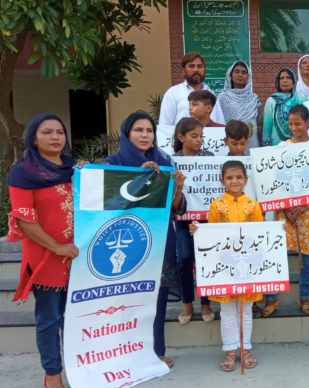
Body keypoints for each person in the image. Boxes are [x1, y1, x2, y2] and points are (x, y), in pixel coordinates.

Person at [6, 114, 85, 388]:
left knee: (77, 316)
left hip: (80, 256)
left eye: (60, 132)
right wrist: (57, 247)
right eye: (47, 132)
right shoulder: (23, 173)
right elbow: (24, 219)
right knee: (50, 318)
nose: (55, 137)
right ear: (34, 137)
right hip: (46, 257)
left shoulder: (76, 168)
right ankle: (52, 373)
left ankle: (82, 369)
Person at [105, 111, 187, 369]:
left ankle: (156, 351)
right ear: (127, 134)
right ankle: (123, 353)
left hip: (159, 240)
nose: (144, 135)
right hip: (126, 240)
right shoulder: (113, 162)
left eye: (149, 131)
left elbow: (176, 208)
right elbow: (108, 204)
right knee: (125, 299)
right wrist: (138, 180)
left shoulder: (164, 162)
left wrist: (178, 189)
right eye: (138, 130)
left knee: (157, 297)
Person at [190, 161, 264, 371]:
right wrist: (198, 231)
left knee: (246, 309)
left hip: (248, 267)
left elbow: (261, 234)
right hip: (225, 266)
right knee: (228, 310)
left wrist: (278, 229)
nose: (234, 181)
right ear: (222, 181)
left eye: (239, 177)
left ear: (246, 180)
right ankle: (230, 350)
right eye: (229, 178)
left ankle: (245, 348)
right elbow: (212, 234)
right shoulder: (216, 205)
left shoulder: (253, 206)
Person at [275, 105, 309, 314]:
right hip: (284, 209)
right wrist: (285, 208)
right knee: (276, 252)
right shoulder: (281, 147)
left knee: (307, 257)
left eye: (298, 123)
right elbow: (274, 179)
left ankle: (304, 296)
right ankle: (271, 298)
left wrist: (304, 206)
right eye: (291, 124)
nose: (294, 128)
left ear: (308, 122)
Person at [172, 117, 215, 325]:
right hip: (182, 217)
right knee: (184, 258)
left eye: (201, 136)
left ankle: (206, 302)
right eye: (194, 136)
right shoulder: (173, 162)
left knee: (205, 257)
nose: (199, 140)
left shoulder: (209, 157)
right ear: (181, 137)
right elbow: (173, 199)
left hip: (206, 218)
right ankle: (188, 302)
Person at [159, 51, 224, 125]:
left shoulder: (211, 94)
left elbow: (220, 124)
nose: (196, 70)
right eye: (191, 66)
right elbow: (165, 126)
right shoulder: (173, 93)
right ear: (183, 71)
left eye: (200, 66)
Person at [217, 61, 262, 149]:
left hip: (252, 142)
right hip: (231, 143)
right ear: (230, 75)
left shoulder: (254, 98)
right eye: (237, 72)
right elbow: (219, 122)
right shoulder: (222, 98)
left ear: (248, 76)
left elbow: (259, 122)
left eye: (244, 72)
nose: (240, 75)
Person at [262, 68, 307, 146]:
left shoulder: (301, 99)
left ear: (294, 81)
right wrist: (267, 147)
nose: (285, 81)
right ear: (278, 82)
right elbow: (267, 126)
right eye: (281, 78)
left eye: (288, 78)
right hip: (277, 146)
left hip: (299, 145)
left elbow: (307, 123)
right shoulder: (272, 100)